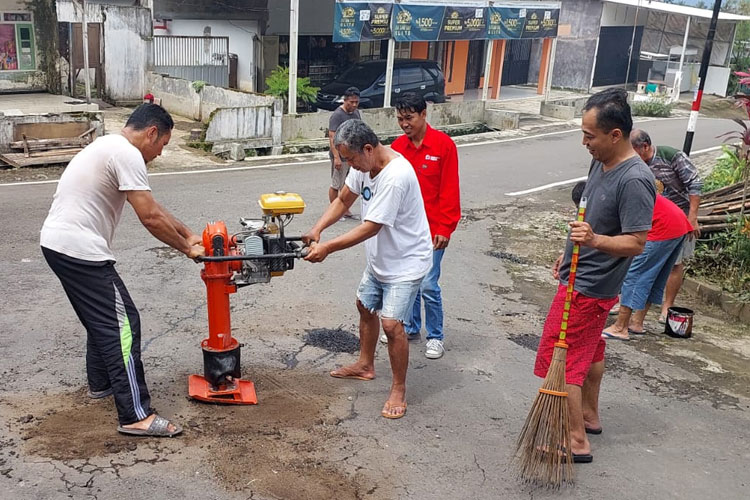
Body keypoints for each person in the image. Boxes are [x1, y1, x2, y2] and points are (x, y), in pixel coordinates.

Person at [40, 104, 205, 437]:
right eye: (163, 145)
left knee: (102, 321)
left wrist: (189, 234)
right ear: (152, 133)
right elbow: (150, 218)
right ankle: (135, 415)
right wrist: (187, 249)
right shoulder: (127, 153)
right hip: (79, 249)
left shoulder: (108, 146)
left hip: (57, 244)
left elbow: (153, 207)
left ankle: (101, 385)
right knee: (123, 324)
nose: (160, 153)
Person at [534, 88, 656, 462]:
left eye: (590, 136)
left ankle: (575, 440)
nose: (584, 142)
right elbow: (589, 215)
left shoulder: (635, 179)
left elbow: (637, 242)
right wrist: (568, 253)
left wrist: (595, 240)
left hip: (590, 288)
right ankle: (588, 416)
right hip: (578, 274)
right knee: (591, 349)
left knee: (563, 358)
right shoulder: (600, 161)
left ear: (614, 134)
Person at [302, 119, 433, 419]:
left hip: (406, 262)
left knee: (392, 324)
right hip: (382, 258)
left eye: (351, 159)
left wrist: (327, 248)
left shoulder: (395, 176)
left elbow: (371, 227)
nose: (349, 165)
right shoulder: (363, 167)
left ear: (369, 149)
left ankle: (398, 388)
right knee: (364, 305)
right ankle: (365, 364)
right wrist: (317, 228)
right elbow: (344, 200)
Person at [382, 93, 460, 360]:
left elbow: (449, 190)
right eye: (400, 119)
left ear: (424, 114)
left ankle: (436, 336)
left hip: (432, 231)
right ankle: (412, 326)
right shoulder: (397, 148)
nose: (404, 124)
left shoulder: (443, 146)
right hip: (404, 230)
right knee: (408, 280)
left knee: (428, 283)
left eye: (409, 118)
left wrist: (445, 228)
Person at [594, 179, 694, 340]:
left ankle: (620, 327)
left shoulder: (614, 197)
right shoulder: (626, 188)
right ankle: (636, 323)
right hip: (678, 224)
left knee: (634, 275)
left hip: (664, 227)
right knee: (653, 276)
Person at [630, 129, 702, 322]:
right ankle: (627, 303)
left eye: (634, 150)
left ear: (645, 147)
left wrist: (692, 217)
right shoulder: (634, 164)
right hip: (648, 218)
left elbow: (695, 183)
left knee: (674, 263)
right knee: (634, 257)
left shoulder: (670, 156)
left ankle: (667, 307)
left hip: (677, 219)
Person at [328, 86, 361, 220]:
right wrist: (336, 157)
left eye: (356, 102)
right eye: (351, 102)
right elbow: (332, 137)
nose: (354, 105)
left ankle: (345, 209)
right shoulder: (337, 115)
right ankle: (333, 211)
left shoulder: (356, 113)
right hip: (340, 156)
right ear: (345, 100)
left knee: (348, 184)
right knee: (336, 184)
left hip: (352, 156)